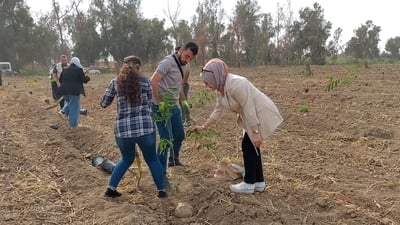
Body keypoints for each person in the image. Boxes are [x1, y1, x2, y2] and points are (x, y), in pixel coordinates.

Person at [192, 58, 283, 194]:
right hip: (250, 116)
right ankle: (259, 182)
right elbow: (217, 111)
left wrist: (255, 131)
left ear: (215, 76)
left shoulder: (237, 84)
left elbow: (249, 107)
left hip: (260, 113)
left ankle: (249, 183)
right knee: (252, 146)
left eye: (207, 82)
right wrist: (204, 126)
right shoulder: (220, 89)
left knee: (248, 145)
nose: (206, 85)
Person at [100, 55, 166, 198]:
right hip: (145, 129)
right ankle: (161, 190)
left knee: (126, 159)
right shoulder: (146, 81)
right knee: (152, 159)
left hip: (122, 131)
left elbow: (104, 103)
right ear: (138, 67)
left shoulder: (115, 82)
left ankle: (111, 188)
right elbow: (149, 102)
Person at [151, 42, 198, 172]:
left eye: (190, 59)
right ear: (181, 50)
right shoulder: (167, 62)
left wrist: (185, 104)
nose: (187, 60)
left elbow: (179, 87)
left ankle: (173, 160)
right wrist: (159, 102)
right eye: (186, 56)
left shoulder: (185, 66)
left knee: (179, 135)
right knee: (166, 139)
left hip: (173, 106)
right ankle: (160, 170)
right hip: (160, 107)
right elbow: (154, 81)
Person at [59, 57, 90, 128]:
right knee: (74, 108)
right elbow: (84, 80)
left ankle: (63, 111)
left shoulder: (65, 69)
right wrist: (88, 76)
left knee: (70, 104)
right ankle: (73, 125)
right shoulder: (79, 70)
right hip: (73, 91)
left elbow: (60, 80)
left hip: (64, 91)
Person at [175, 46, 192, 126]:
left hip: (183, 85)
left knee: (183, 102)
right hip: (181, 84)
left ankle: (187, 120)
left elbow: (187, 73)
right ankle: (184, 119)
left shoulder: (185, 62)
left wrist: (183, 83)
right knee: (181, 102)